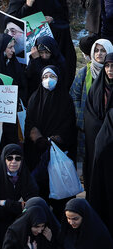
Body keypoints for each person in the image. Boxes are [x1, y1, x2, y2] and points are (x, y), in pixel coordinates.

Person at [25, 65, 77, 207]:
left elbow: (70, 124)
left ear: (58, 79)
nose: (48, 80)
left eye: (52, 77)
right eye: (45, 77)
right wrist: (39, 139)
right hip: (38, 152)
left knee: (61, 198)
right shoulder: (34, 99)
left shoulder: (66, 100)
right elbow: (29, 122)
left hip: (60, 152)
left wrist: (56, 140)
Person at [0, 144, 39, 249]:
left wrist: (5, 203)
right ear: (4, 159)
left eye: (18, 158)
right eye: (9, 158)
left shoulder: (27, 178)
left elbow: (31, 204)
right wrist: (18, 206)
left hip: (21, 225)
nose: (14, 162)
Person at [84, 53, 113, 198]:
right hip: (96, 138)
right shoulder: (97, 87)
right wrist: (101, 129)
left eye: (112, 66)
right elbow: (89, 112)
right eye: (107, 66)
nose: (109, 70)